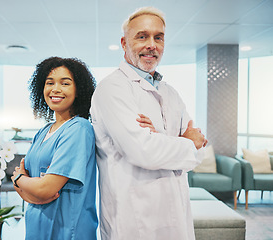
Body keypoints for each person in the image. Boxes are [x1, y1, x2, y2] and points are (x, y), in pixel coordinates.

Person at [90, 6, 207, 240]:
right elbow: (143, 151)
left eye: (158, 37)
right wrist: (182, 143)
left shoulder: (170, 93)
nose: (151, 44)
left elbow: (200, 148)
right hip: (134, 217)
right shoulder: (112, 89)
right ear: (124, 43)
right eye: (142, 36)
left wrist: (166, 141)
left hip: (175, 211)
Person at [11, 57, 98, 240]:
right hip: (37, 225)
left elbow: (45, 189)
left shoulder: (80, 129)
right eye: (49, 82)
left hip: (67, 230)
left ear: (79, 90)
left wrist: (19, 179)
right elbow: (27, 188)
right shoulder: (44, 131)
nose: (55, 89)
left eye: (65, 83)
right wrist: (26, 185)